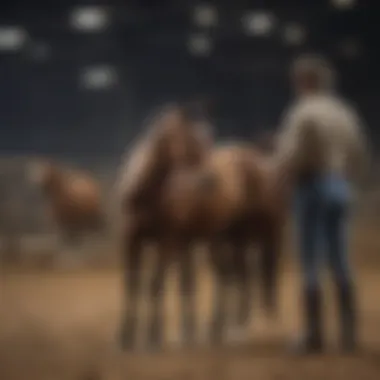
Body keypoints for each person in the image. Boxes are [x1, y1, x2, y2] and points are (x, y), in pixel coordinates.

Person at [276, 54, 369, 353]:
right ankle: (348, 335)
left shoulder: (303, 113)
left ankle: (314, 336)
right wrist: (347, 179)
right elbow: (359, 152)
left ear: (305, 81)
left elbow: (292, 155)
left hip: (311, 187)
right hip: (340, 186)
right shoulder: (344, 112)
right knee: (341, 260)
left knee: (310, 261)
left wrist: (280, 175)